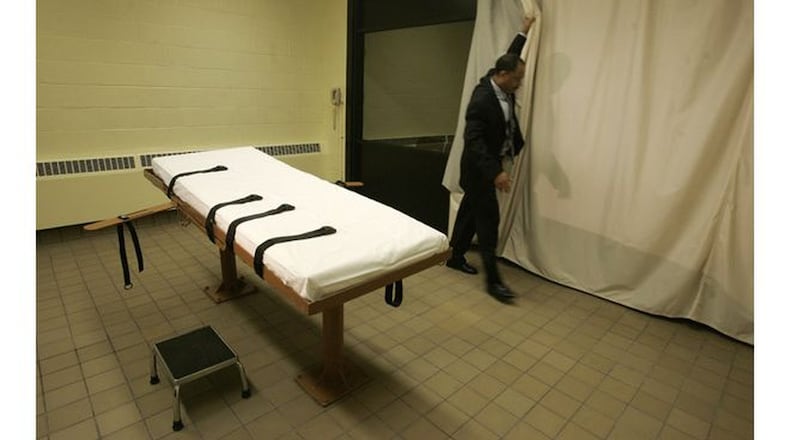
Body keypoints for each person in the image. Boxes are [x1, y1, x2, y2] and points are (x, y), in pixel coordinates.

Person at [446, 16, 535, 301]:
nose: (519, 85)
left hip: (486, 167)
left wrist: (523, 32)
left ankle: (454, 255)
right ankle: (494, 282)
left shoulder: (502, 80)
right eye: (517, 79)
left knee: (470, 212)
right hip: (479, 170)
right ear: (503, 75)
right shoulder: (482, 99)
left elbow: (511, 57)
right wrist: (495, 172)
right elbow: (473, 142)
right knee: (488, 222)